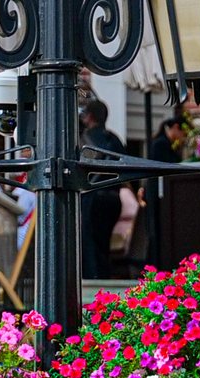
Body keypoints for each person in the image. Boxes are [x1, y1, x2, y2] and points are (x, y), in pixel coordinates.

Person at [79, 99, 127, 281]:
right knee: (104, 243)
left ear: (89, 116)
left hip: (93, 197)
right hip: (114, 199)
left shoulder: (86, 138)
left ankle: (93, 280)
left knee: (90, 243)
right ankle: (104, 277)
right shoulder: (114, 138)